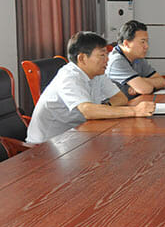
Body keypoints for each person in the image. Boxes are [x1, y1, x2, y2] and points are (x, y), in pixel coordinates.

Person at [25, 32, 156, 144]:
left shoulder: (97, 73)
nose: (107, 60)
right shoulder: (69, 77)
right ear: (82, 58)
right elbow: (87, 111)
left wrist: (102, 109)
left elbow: (120, 98)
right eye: (102, 55)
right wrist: (134, 111)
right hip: (47, 145)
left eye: (107, 54)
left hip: (77, 136)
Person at [106, 20, 165, 99]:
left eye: (147, 41)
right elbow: (145, 89)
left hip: (133, 103)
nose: (146, 46)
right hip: (117, 106)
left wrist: (141, 81)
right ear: (126, 44)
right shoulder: (116, 61)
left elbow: (161, 81)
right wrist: (143, 84)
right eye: (142, 42)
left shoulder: (137, 57)